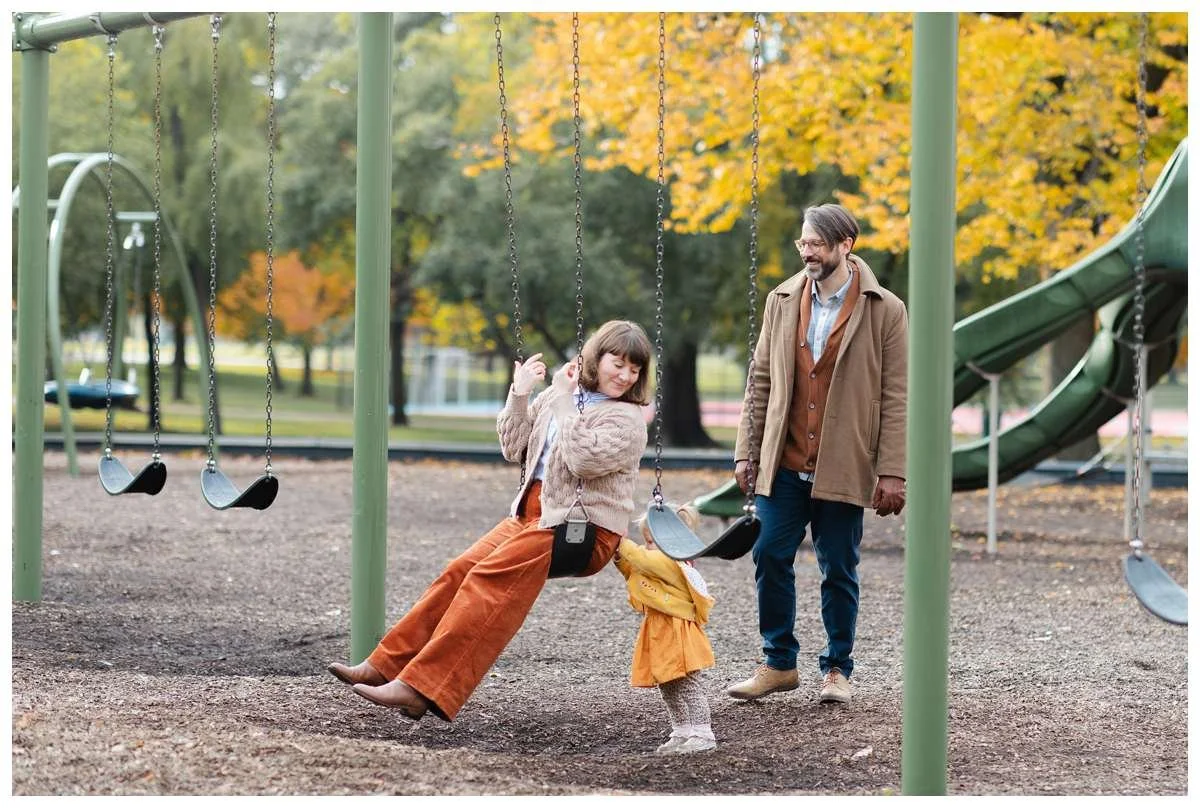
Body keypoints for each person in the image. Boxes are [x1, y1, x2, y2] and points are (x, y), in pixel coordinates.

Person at [328, 320, 652, 722]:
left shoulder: (626, 419)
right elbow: (514, 448)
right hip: (532, 513)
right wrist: (520, 393)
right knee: (459, 571)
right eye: (617, 364)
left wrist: (567, 402)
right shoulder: (557, 395)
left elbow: (583, 460)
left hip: (582, 527)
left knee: (487, 580)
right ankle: (385, 665)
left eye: (634, 369)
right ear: (595, 358)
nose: (625, 376)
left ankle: (420, 688)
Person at [727, 203, 907, 707]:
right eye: (803, 243)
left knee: (839, 568)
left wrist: (892, 470)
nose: (807, 252)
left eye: (816, 244)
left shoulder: (886, 309)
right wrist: (747, 452)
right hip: (783, 460)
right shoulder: (781, 299)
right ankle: (779, 663)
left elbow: (897, 395)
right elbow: (760, 379)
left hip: (844, 461)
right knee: (768, 554)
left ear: (845, 245)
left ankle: (836, 670)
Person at [613, 503, 717, 755]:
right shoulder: (657, 560)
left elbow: (642, 560)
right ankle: (681, 730)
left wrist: (618, 540)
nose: (647, 546)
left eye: (651, 542)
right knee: (667, 684)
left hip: (679, 631)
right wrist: (618, 557)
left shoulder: (674, 562)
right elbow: (634, 569)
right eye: (646, 541)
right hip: (660, 631)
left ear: (671, 542)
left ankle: (703, 733)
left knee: (689, 685)